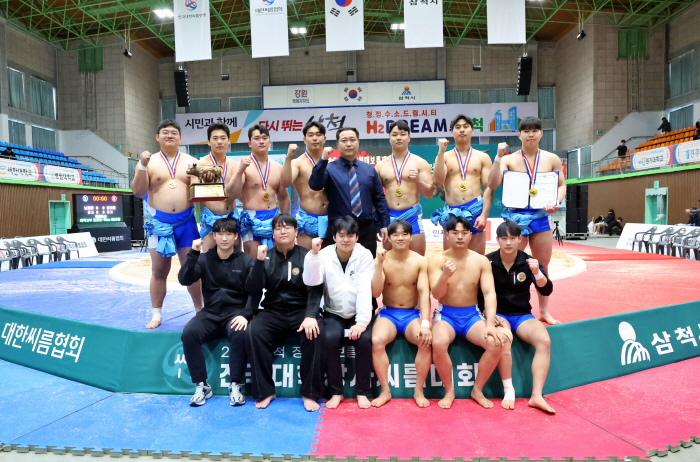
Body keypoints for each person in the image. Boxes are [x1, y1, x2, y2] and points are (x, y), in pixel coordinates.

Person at [487, 116, 566, 325]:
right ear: (519, 135)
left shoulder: (552, 159)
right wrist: (497, 157)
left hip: (541, 217)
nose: (531, 133)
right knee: (510, 264)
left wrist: (556, 201)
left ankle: (544, 311)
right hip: (515, 219)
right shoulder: (508, 159)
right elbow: (493, 183)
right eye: (526, 130)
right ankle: (507, 310)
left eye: (535, 130)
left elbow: (561, 185)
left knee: (542, 265)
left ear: (541, 134)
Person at [245, 213, 324, 411]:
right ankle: (265, 391)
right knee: (254, 331)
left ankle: (310, 393)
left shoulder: (308, 256)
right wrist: (259, 262)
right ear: (272, 233)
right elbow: (254, 290)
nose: (283, 231)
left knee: (315, 333)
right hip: (273, 311)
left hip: (301, 311)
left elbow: (315, 291)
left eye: (287, 227)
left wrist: (310, 316)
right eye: (278, 228)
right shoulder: (266, 256)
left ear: (296, 232)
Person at [131, 119, 203, 329]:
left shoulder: (192, 162)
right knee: (159, 271)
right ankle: (156, 315)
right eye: (165, 132)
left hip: (187, 222)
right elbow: (138, 191)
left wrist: (196, 179)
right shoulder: (148, 161)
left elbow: (198, 196)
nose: (169, 135)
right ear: (157, 137)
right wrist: (142, 167)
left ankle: (199, 310)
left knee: (192, 270)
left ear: (180, 138)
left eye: (174, 132)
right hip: (160, 225)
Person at [428, 215, 504, 409]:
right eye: (455, 233)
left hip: (471, 315)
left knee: (495, 344)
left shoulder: (481, 261)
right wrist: (444, 276)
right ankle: (449, 390)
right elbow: (436, 294)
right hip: (446, 314)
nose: (460, 237)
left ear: (471, 235)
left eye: (464, 233)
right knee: (438, 342)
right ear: (446, 235)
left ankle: (477, 389)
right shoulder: (438, 260)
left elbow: (489, 294)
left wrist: (489, 323)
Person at [178, 218, 255, 407]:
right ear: (214, 236)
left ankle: (235, 383)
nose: (224, 238)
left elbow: (255, 292)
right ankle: (202, 385)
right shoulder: (204, 258)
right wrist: (193, 254)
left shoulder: (246, 261)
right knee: (189, 333)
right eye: (220, 233)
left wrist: (245, 314)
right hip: (210, 313)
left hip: (235, 313)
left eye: (229, 233)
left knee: (239, 333)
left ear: (236, 236)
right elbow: (184, 279)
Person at [303, 216, 375, 409]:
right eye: (341, 235)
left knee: (365, 341)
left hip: (359, 312)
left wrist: (361, 323)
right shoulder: (324, 254)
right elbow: (311, 281)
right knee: (329, 339)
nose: (345, 239)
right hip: (333, 311)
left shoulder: (365, 255)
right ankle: (336, 392)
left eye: (350, 235)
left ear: (357, 237)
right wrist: (313, 255)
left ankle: (362, 392)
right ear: (333, 237)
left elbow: (364, 290)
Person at [484, 220, 554, 414]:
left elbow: (547, 289)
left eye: (512, 238)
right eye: (504, 238)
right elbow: (477, 291)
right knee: (504, 339)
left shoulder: (529, 261)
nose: (508, 243)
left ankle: (536, 395)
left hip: (522, 315)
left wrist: (537, 273)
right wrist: (486, 313)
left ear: (519, 239)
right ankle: (509, 391)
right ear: (497, 240)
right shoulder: (487, 261)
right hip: (497, 315)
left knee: (544, 340)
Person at [370, 219, 432, 408]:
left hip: (411, 314)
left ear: (411, 237)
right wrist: (379, 265)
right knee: (376, 341)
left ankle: (418, 391)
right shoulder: (381, 259)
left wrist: (425, 324)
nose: (400, 238)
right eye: (395, 234)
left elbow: (423, 294)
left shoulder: (420, 261)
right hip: (389, 313)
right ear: (388, 238)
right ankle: (385, 391)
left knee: (424, 340)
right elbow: (375, 293)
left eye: (404, 234)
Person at [308, 127, 390, 258]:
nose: (348, 144)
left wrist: (385, 225)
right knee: (336, 270)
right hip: (339, 231)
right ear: (337, 144)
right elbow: (315, 185)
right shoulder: (329, 169)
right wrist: (323, 160)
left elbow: (379, 198)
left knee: (367, 269)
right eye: (344, 140)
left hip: (366, 230)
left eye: (352, 140)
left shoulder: (369, 170)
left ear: (358, 142)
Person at [432, 114, 494, 255]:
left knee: (477, 259)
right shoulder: (444, 156)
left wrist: (484, 215)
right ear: (451, 132)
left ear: (472, 131)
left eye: (466, 127)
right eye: (458, 127)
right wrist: (441, 153)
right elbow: (438, 181)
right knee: (451, 259)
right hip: (451, 212)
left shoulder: (483, 157)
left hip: (476, 210)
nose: (462, 130)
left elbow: (489, 188)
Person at [226, 124, 290, 258]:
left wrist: (287, 222)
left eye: (264, 138)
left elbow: (283, 197)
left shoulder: (278, 167)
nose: (261, 141)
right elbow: (232, 194)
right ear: (249, 143)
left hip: (274, 217)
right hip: (251, 217)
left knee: (276, 260)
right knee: (254, 260)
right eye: (257, 138)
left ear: (269, 142)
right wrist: (240, 171)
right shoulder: (242, 165)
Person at [374, 120, 435, 255]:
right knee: (390, 262)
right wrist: (378, 222)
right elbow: (376, 197)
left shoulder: (420, 163)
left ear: (409, 137)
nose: (399, 137)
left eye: (402, 134)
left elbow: (429, 194)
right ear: (389, 138)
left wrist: (418, 180)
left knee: (418, 259)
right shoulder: (381, 166)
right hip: (389, 218)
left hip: (412, 216)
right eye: (394, 134)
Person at [280, 121, 332, 249]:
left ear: (324, 139)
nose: (314, 138)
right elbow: (285, 183)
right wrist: (288, 158)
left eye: (318, 135)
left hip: (330, 218)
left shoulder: (331, 163)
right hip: (308, 219)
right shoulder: (297, 163)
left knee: (329, 265)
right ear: (304, 139)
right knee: (307, 262)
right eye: (310, 135)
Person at [198, 123, 239, 252]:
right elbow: (192, 194)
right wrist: (205, 183)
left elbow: (237, 193)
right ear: (208, 141)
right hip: (210, 219)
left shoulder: (234, 165)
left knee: (236, 261)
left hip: (231, 216)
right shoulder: (200, 164)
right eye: (215, 138)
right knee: (209, 263)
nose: (219, 142)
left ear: (229, 141)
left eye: (223, 138)